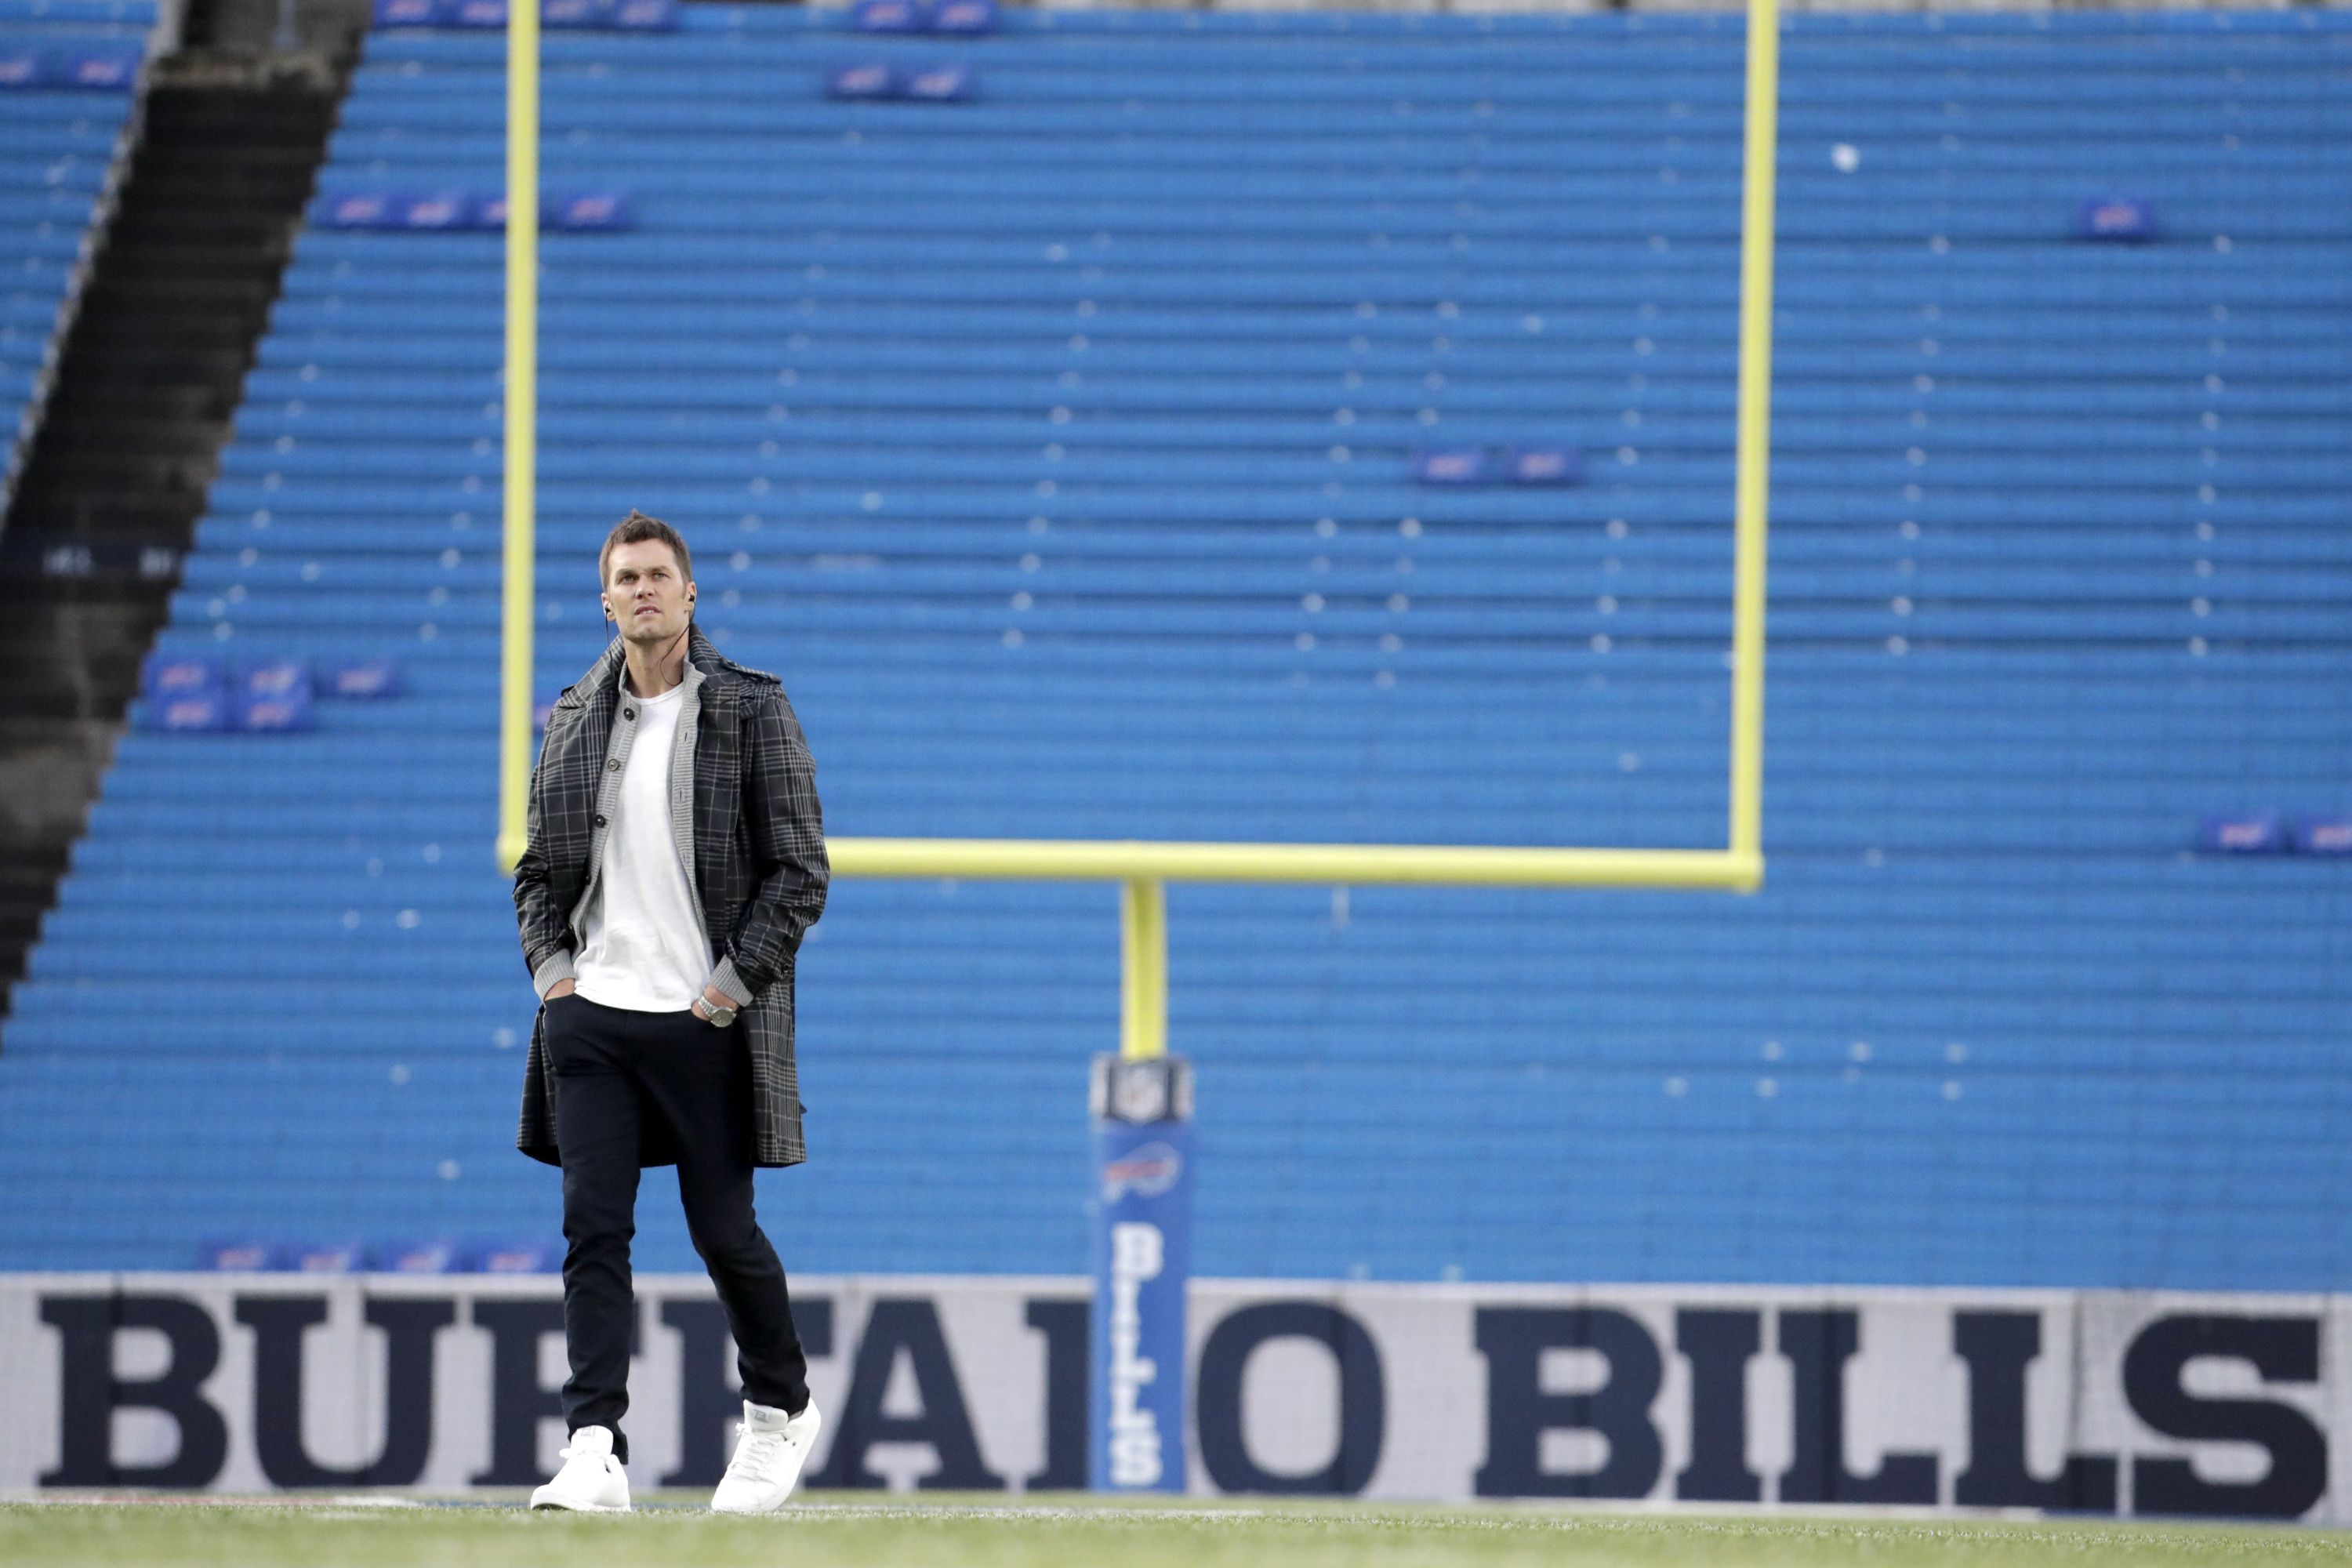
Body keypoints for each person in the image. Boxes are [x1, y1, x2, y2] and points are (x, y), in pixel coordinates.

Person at [511, 510, 829, 1513]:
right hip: (593, 1014)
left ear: (689, 594)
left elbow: (800, 869)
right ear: (604, 599)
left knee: (724, 1231)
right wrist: (554, 975)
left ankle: (779, 1410)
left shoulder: (750, 708)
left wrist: (730, 986)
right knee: (591, 1228)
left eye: (659, 575)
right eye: (625, 577)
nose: (643, 589)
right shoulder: (570, 714)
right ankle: (594, 1445)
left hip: (706, 1018)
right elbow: (536, 871)